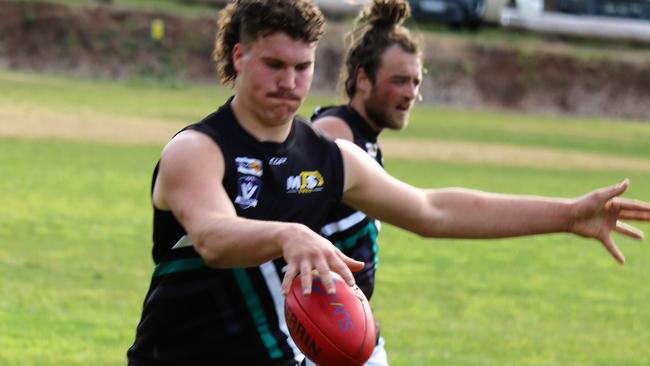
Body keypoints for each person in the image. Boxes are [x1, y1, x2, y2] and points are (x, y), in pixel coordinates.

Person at [127, 0, 650, 365]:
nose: (289, 83)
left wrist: (566, 214)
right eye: (273, 65)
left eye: (303, 67)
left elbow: (432, 211)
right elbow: (214, 238)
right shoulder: (196, 151)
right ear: (238, 57)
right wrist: (290, 233)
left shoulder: (329, 157)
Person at [310, 1, 421, 364]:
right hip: (315, 334)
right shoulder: (335, 133)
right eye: (399, 81)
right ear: (362, 79)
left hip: (350, 328)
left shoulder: (367, 141)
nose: (411, 93)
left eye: (416, 82)